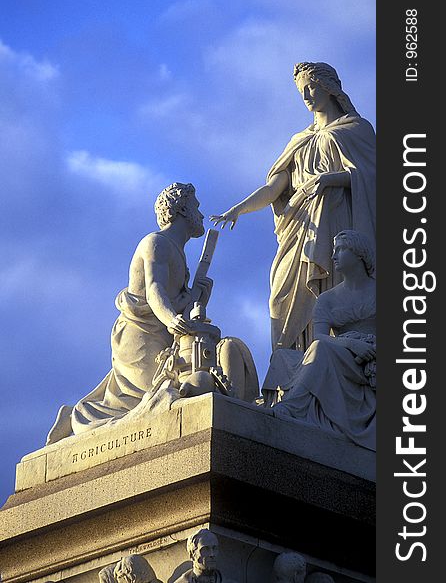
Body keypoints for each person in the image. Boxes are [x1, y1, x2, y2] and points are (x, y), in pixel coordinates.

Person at [47, 183, 258, 444]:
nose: (201, 214)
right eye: (197, 207)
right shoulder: (156, 243)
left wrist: (197, 298)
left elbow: (178, 304)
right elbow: (154, 291)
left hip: (165, 336)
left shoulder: (180, 255)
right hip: (139, 334)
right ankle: (78, 416)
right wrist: (172, 319)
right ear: (181, 208)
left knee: (157, 398)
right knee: (150, 401)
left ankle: (85, 414)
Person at [211, 62, 375, 351]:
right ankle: (289, 372)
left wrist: (330, 179)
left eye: (312, 87)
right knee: (281, 297)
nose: (306, 96)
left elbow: (374, 178)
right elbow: (274, 189)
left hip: (336, 222)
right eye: (302, 91)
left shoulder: (357, 130)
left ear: (330, 88)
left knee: (331, 288)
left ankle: (332, 361)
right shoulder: (299, 141)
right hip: (300, 227)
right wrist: (239, 209)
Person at [272, 230, 376, 451]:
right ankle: (293, 407)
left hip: (372, 358)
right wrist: (350, 343)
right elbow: (318, 337)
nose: (333, 256)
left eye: (340, 249)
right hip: (345, 355)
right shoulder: (327, 300)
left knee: (321, 349)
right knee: (284, 356)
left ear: (358, 253)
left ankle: (294, 407)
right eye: (334, 249)